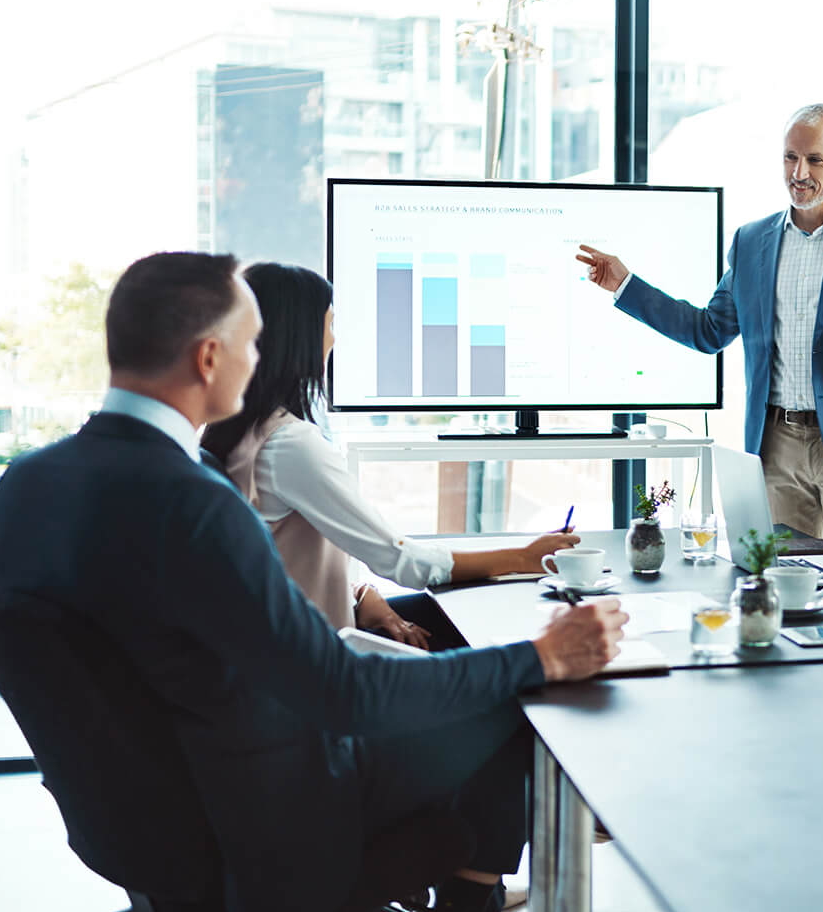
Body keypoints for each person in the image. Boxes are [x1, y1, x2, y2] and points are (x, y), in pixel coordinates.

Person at [0, 252, 627, 912]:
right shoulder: (197, 505)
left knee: (459, 693)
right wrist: (540, 657)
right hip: (266, 820)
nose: (260, 363)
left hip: (138, 818)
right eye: (251, 345)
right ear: (210, 356)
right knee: (511, 714)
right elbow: (342, 694)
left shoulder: (25, 486)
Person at [574, 102, 823, 565]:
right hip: (775, 446)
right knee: (778, 584)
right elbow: (708, 331)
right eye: (790, 157)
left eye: (815, 160)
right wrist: (625, 284)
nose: (798, 173)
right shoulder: (751, 240)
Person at [200, 262, 578, 650]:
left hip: (282, 640)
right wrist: (524, 558)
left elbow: (285, 557)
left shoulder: (237, 431)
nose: (334, 340)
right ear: (302, 337)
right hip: (317, 659)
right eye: (330, 325)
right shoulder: (290, 446)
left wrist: (363, 594)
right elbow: (403, 562)